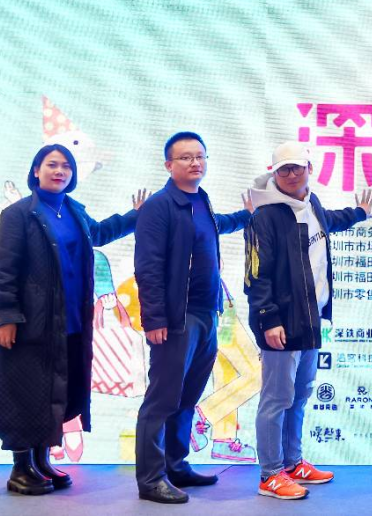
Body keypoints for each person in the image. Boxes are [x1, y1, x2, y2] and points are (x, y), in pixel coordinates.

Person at [0, 144, 146, 495]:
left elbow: (99, 233)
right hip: (29, 325)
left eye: (66, 166)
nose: (60, 171)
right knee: (25, 394)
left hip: (69, 323)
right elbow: (3, 272)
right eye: (52, 165)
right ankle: (20, 469)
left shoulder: (73, 211)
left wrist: (134, 216)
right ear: (36, 170)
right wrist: (6, 316)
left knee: (53, 394)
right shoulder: (18, 214)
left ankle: (41, 462)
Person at [244, 142, 372, 500]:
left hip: (311, 319)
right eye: (283, 169)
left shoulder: (311, 203)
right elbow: (256, 277)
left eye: (297, 167)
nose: (291, 174)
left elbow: (330, 221)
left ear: (309, 169)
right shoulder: (264, 217)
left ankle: (292, 463)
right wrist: (269, 319)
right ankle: (270, 474)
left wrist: (359, 213)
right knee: (276, 399)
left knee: (299, 394)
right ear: (274, 173)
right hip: (281, 324)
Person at [133, 132, 252, 504]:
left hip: (206, 313)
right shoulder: (159, 206)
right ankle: (151, 478)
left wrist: (248, 216)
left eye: (200, 156)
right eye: (185, 157)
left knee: (187, 397)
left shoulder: (201, 200)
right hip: (176, 318)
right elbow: (148, 266)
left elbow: (213, 231)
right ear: (168, 164)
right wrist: (154, 319)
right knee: (162, 400)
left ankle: (176, 464)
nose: (195, 163)